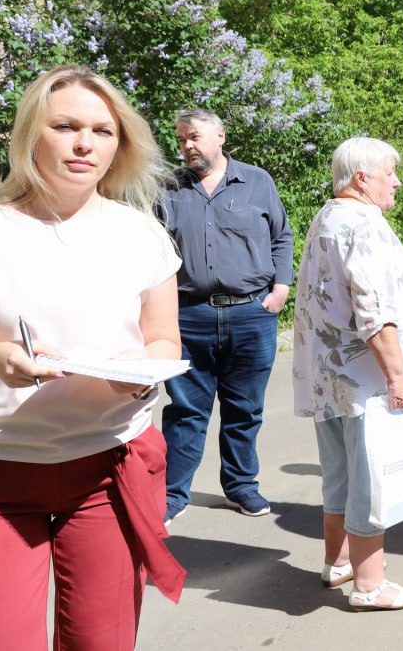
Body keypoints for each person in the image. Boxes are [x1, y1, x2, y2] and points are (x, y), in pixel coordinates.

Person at [0, 66, 186, 648]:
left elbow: (164, 341)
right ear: (32, 133)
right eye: (66, 126)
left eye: (102, 131)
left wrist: (138, 377)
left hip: (106, 470)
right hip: (4, 468)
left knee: (100, 642)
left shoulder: (141, 233)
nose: (85, 143)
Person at [292, 136, 403, 611]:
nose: (396, 181)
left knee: (339, 472)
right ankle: (370, 585)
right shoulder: (364, 223)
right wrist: (397, 376)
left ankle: (337, 562)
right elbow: (374, 309)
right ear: (362, 178)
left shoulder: (327, 215)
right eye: (389, 173)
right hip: (365, 378)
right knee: (373, 476)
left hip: (330, 377)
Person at [160, 109, 294, 523]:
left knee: (244, 409)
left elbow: (282, 235)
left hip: (251, 315)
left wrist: (280, 290)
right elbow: (151, 249)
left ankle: (240, 486)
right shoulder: (167, 187)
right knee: (185, 411)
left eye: (194, 137)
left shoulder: (257, 181)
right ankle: (171, 495)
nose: (187, 146)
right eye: (181, 139)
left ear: (219, 136)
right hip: (188, 317)